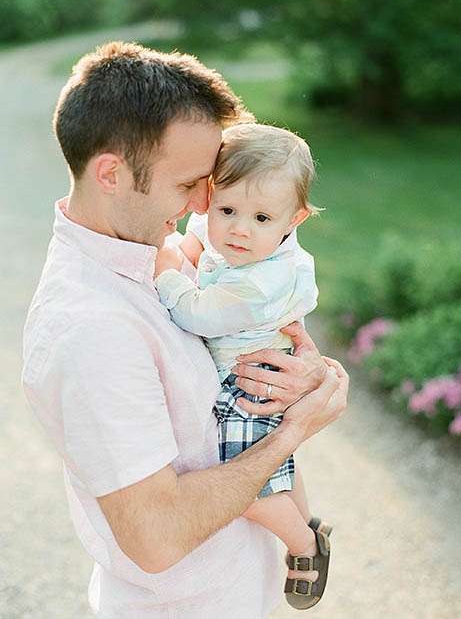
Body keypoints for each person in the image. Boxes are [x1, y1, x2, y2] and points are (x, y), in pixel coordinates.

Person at [21, 42, 347, 618]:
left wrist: (304, 369)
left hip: (239, 591)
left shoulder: (150, 242)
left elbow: (247, 321)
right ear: (111, 174)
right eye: (188, 184)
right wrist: (293, 432)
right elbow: (157, 536)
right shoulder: (92, 328)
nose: (207, 202)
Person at [154, 122, 331, 609]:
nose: (238, 229)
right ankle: (308, 520)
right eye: (227, 209)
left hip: (249, 380)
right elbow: (199, 246)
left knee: (245, 479)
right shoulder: (234, 236)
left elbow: (197, 312)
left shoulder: (262, 282)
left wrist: (166, 274)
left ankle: (303, 546)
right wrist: (184, 250)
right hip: (257, 367)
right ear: (210, 198)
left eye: (260, 218)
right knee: (277, 457)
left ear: (294, 219)